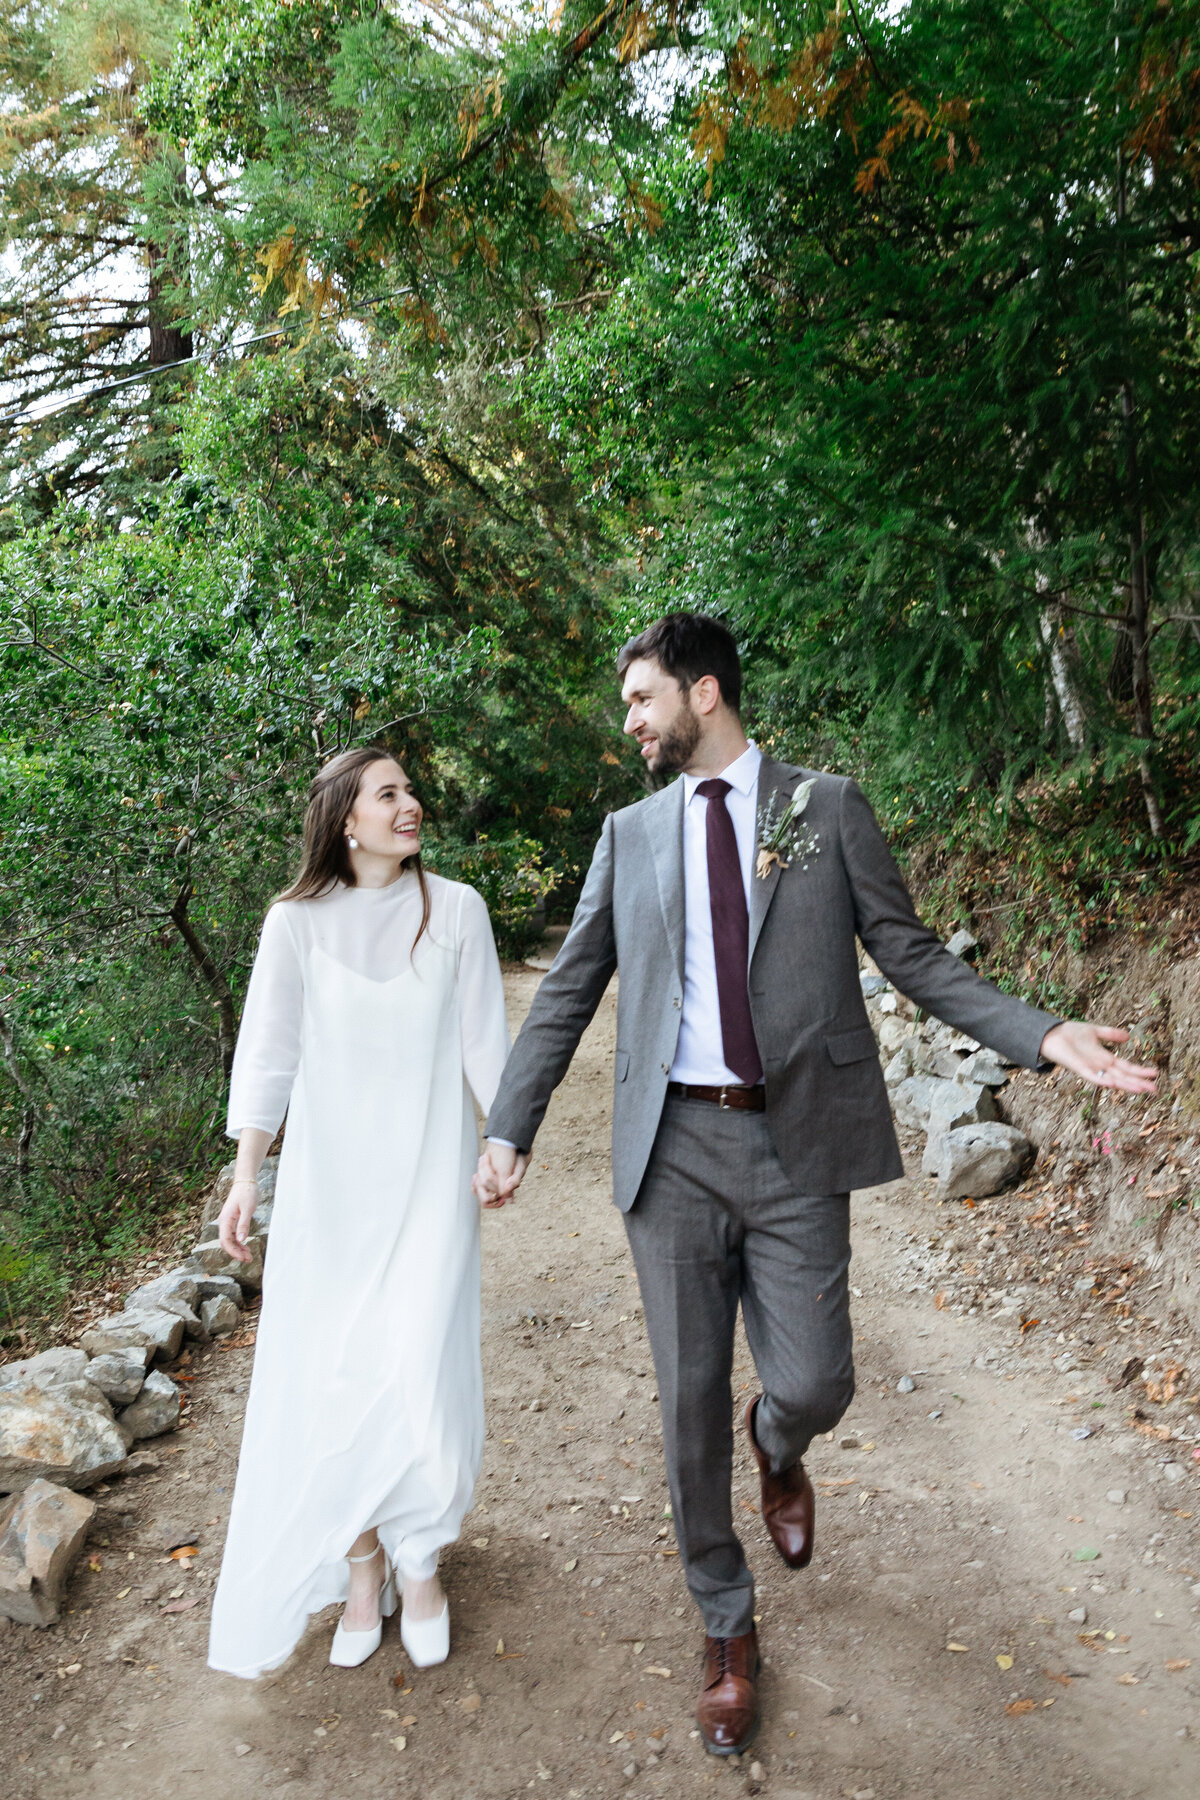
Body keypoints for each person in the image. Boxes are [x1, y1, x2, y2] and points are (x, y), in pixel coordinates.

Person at [474, 612, 1156, 1756]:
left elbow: (914, 952)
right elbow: (568, 991)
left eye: (641, 700)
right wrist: (512, 1127)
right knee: (686, 1400)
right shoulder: (630, 832)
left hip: (797, 1146)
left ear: (702, 693)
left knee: (818, 1380)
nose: (631, 723)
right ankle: (726, 1626)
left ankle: (779, 1444)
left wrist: (1042, 1036)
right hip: (671, 1150)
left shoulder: (824, 807)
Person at [208, 746, 510, 1679]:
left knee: (420, 1365)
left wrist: (506, 1138)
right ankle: (362, 1564)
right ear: (348, 817)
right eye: (390, 794)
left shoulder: (455, 909)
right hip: (329, 1195)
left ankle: (421, 1562)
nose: (411, 804)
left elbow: (486, 1044)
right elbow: (270, 1053)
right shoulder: (294, 924)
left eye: (412, 790)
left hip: (429, 1181)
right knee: (338, 1374)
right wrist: (248, 1173)